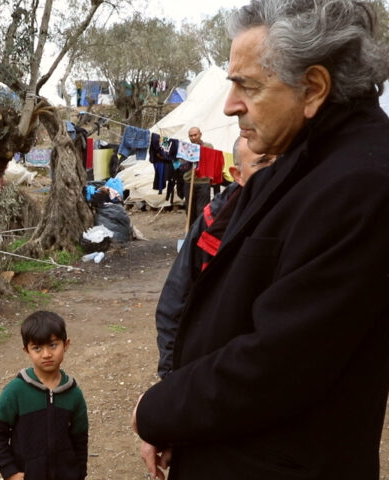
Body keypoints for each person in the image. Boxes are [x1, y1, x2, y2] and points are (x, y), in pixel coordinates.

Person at [133, 0, 389, 479]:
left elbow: (278, 364)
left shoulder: (363, 183)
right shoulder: (301, 161)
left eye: (247, 85)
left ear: (312, 88)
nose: (230, 104)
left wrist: (160, 409)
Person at [155, 136, 274, 379]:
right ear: (237, 175)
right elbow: (175, 299)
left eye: (280, 159)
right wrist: (171, 374)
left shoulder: (305, 209)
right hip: (222, 362)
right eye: (263, 163)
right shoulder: (215, 223)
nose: (275, 169)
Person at [0, 311, 88, 480]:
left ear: (66, 344)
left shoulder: (74, 394)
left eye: (52, 345)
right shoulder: (15, 391)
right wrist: (10, 472)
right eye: (37, 348)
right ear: (26, 350)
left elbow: (80, 439)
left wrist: (79, 473)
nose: (46, 354)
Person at [182, 127, 213, 225]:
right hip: (189, 181)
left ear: (200, 134)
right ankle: (191, 233)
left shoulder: (208, 146)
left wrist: (199, 155)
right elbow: (182, 166)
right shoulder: (186, 147)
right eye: (191, 136)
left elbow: (211, 163)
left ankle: (200, 233)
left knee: (202, 209)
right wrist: (189, 158)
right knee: (190, 210)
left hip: (203, 182)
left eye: (195, 135)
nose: (193, 137)